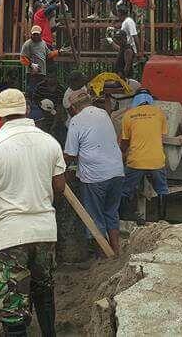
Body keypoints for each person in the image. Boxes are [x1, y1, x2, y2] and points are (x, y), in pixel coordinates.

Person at [0, 89, 66, 337]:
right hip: (45, 231)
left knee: (10, 301)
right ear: (26, 110)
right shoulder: (49, 142)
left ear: (0, 114)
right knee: (43, 288)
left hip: (9, 234)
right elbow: (59, 186)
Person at [64, 91, 124, 256]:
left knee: (94, 216)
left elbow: (70, 153)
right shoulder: (103, 114)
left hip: (95, 176)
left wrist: (57, 165)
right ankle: (116, 250)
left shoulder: (76, 121)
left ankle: (104, 255)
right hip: (117, 171)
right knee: (111, 212)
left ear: (74, 108)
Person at [120, 91, 170, 222]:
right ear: (150, 100)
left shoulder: (128, 115)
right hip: (156, 160)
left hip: (136, 161)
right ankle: (162, 221)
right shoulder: (159, 113)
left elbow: (124, 141)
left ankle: (124, 218)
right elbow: (162, 136)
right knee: (162, 189)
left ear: (135, 100)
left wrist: (122, 155)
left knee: (125, 190)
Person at [20, 26, 60, 95]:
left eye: (37, 34)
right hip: (32, 73)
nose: (35, 36)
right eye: (34, 34)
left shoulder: (43, 43)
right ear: (31, 34)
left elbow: (48, 55)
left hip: (42, 72)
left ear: (40, 34)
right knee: (31, 91)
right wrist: (31, 65)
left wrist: (58, 52)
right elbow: (22, 58)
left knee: (41, 91)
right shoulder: (27, 44)